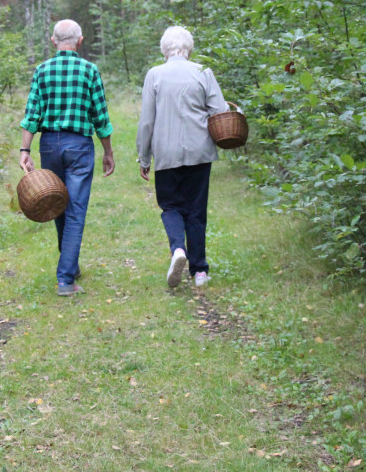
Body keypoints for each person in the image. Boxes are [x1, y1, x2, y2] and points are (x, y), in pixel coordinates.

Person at [20, 19, 116, 296]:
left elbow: (32, 115)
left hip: (49, 145)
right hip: (79, 146)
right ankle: (65, 280)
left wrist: (25, 151)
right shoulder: (89, 70)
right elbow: (100, 115)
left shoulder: (42, 70)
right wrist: (108, 152)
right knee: (74, 212)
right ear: (80, 41)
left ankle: (70, 267)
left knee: (58, 203)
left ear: (53, 41)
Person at [136, 26, 228, 288]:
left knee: (171, 206)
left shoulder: (154, 74)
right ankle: (199, 272)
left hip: (166, 153)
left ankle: (178, 249)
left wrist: (144, 158)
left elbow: (147, 122)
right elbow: (220, 111)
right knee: (196, 210)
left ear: (164, 49)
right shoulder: (203, 72)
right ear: (189, 47)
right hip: (200, 151)